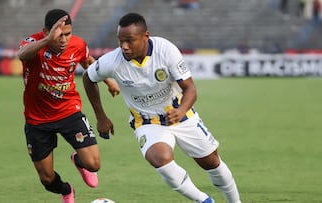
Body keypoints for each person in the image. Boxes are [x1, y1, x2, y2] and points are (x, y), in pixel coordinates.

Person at [83, 13, 241, 203]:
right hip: (146, 122)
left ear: (145, 36)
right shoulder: (112, 61)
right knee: (160, 159)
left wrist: (181, 111)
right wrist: (101, 116)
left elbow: (190, 88)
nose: (124, 46)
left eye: (130, 40)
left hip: (181, 116)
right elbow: (88, 78)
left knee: (212, 163)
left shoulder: (166, 50)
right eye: (121, 41)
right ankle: (205, 201)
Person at [17, 9, 120, 203]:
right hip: (37, 119)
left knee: (94, 164)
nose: (64, 39)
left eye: (68, 34)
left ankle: (78, 160)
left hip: (68, 110)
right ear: (45, 31)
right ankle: (66, 189)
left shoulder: (78, 44)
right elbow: (22, 55)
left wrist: (108, 82)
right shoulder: (33, 43)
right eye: (59, 34)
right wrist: (48, 40)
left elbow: (87, 60)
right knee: (47, 179)